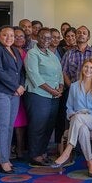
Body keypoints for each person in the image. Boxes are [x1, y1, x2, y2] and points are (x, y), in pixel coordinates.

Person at [51, 58, 92, 177]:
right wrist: (74, 115)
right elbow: (69, 107)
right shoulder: (74, 86)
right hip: (78, 121)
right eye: (86, 67)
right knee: (82, 129)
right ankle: (90, 163)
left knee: (79, 118)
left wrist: (83, 114)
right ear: (82, 69)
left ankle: (68, 150)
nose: (88, 70)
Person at [25, 28, 64, 166]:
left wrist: (60, 87)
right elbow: (34, 76)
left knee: (48, 126)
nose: (46, 40)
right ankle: (35, 155)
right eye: (43, 37)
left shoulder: (52, 55)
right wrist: (51, 90)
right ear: (38, 37)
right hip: (38, 95)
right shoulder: (32, 53)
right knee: (38, 126)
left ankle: (42, 153)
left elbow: (60, 73)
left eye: (49, 38)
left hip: (53, 97)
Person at [0, 25, 25, 174]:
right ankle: (2, 161)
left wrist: (21, 85)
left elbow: (21, 72)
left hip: (14, 94)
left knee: (10, 126)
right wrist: (16, 86)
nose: (9, 38)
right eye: (5, 35)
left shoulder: (15, 50)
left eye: (12, 35)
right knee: (2, 127)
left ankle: (7, 158)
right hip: (0, 93)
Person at [12, 27, 28, 160]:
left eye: (21, 36)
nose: (19, 38)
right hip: (12, 90)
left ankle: (20, 148)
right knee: (13, 121)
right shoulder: (7, 51)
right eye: (15, 36)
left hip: (25, 90)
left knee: (22, 120)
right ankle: (14, 149)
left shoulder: (26, 52)